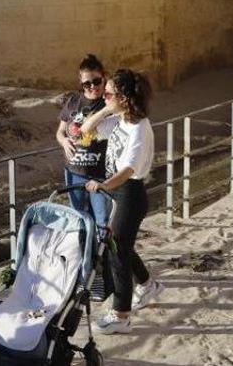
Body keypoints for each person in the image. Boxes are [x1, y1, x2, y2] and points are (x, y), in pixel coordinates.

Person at [80, 69, 162, 334]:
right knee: (121, 245)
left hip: (129, 193)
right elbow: (86, 130)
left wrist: (103, 185)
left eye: (108, 93)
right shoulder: (121, 120)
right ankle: (149, 286)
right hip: (117, 190)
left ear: (125, 98)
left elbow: (128, 170)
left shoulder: (139, 128)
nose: (103, 96)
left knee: (117, 253)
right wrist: (107, 108)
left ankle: (121, 315)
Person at [55, 54, 112, 301]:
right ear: (80, 82)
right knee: (81, 223)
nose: (91, 88)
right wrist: (64, 141)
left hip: (99, 177)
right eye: (86, 83)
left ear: (103, 78)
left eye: (96, 82)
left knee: (102, 227)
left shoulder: (108, 105)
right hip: (74, 173)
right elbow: (59, 131)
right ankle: (84, 274)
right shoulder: (72, 102)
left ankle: (101, 276)